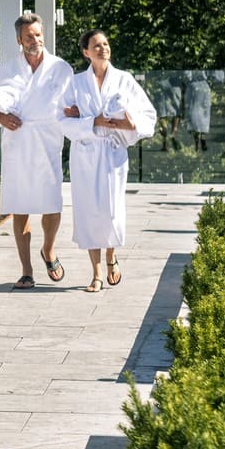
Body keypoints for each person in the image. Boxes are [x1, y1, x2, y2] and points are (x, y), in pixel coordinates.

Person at [0, 12, 74, 289]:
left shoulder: (61, 68)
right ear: (19, 39)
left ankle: (48, 250)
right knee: (20, 208)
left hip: (48, 143)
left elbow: (75, 101)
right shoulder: (6, 71)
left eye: (38, 35)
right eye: (29, 36)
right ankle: (26, 269)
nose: (35, 40)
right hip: (17, 146)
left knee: (52, 204)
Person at [58, 29, 156, 292]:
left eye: (106, 44)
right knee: (88, 211)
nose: (103, 48)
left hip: (112, 154)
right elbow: (61, 120)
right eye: (96, 45)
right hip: (86, 154)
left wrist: (128, 122)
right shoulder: (76, 83)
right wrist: (92, 122)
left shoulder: (124, 80)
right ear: (86, 52)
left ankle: (111, 257)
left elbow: (148, 114)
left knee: (111, 211)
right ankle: (96, 273)